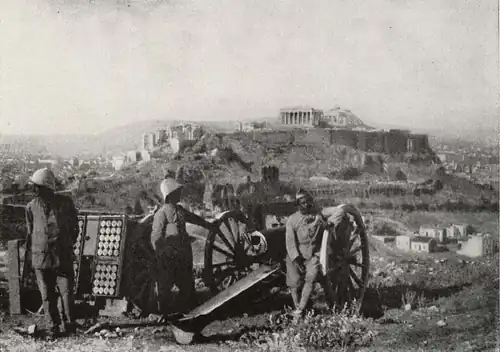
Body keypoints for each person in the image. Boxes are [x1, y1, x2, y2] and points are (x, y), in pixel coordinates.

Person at [25, 168, 79, 338]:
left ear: (46, 188)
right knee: (47, 295)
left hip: (61, 256)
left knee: (66, 292)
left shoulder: (65, 204)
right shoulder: (31, 207)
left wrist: (67, 245)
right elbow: (30, 233)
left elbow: (75, 229)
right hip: (41, 258)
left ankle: (69, 325)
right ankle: (53, 327)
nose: (34, 190)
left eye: (37, 187)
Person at [151, 177, 216, 316]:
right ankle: (165, 314)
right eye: (177, 192)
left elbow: (194, 219)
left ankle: (188, 312)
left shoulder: (180, 210)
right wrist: (162, 255)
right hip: (168, 257)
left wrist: (209, 225)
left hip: (183, 255)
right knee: (165, 286)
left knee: (186, 284)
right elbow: (156, 238)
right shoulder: (161, 214)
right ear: (170, 195)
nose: (180, 194)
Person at [285, 189, 326, 322]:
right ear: (298, 204)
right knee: (295, 283)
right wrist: (296, 260)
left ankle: (300, 310)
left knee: (311, 277)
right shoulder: (292, 220)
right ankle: (297, 305)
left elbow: (327, 228)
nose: (307, 205)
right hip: (295, 257)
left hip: (312, 256)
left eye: (309, 202)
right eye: (303, 203)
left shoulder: (317, 217)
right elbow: (290, 243)